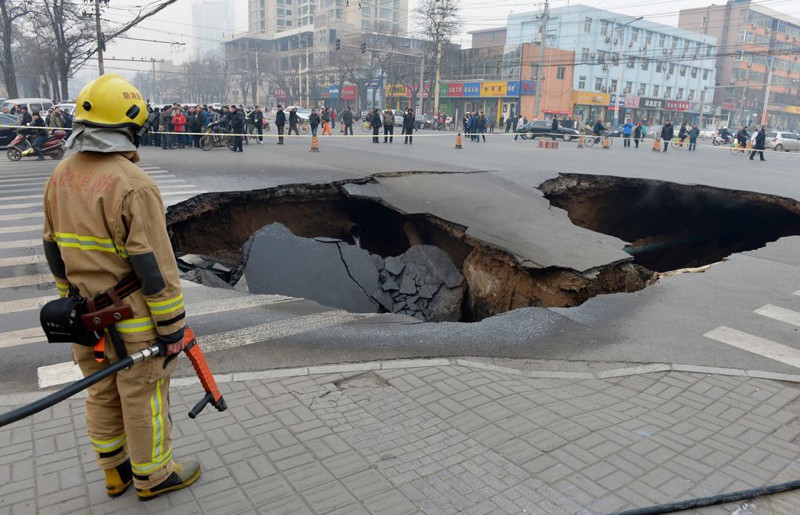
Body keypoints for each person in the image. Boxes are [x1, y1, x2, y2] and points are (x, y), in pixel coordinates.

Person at [42, 73, 200, 501]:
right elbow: (155, 267)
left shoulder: (60, 173)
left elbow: (52, 247)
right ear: (131, 125)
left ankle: (115, 472)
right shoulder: (133, 184)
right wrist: (171, 329)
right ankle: (153, 476)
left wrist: (66, 296)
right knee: (142, 394)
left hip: (84, 317)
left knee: (101, 391)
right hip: (131, 318)